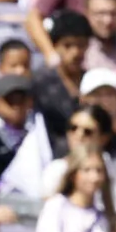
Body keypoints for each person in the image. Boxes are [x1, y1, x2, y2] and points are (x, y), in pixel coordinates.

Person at [41, 103, 116, 212]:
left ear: (104, 137)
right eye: (73, 128)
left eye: (87, 131)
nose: (78, 135)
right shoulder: (55, 169)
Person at [30, 12, 92, 152]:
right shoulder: (40, 83)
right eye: (68, 45)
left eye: (81, 45)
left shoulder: (92, 81)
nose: (76, 52)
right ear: (55, 46)